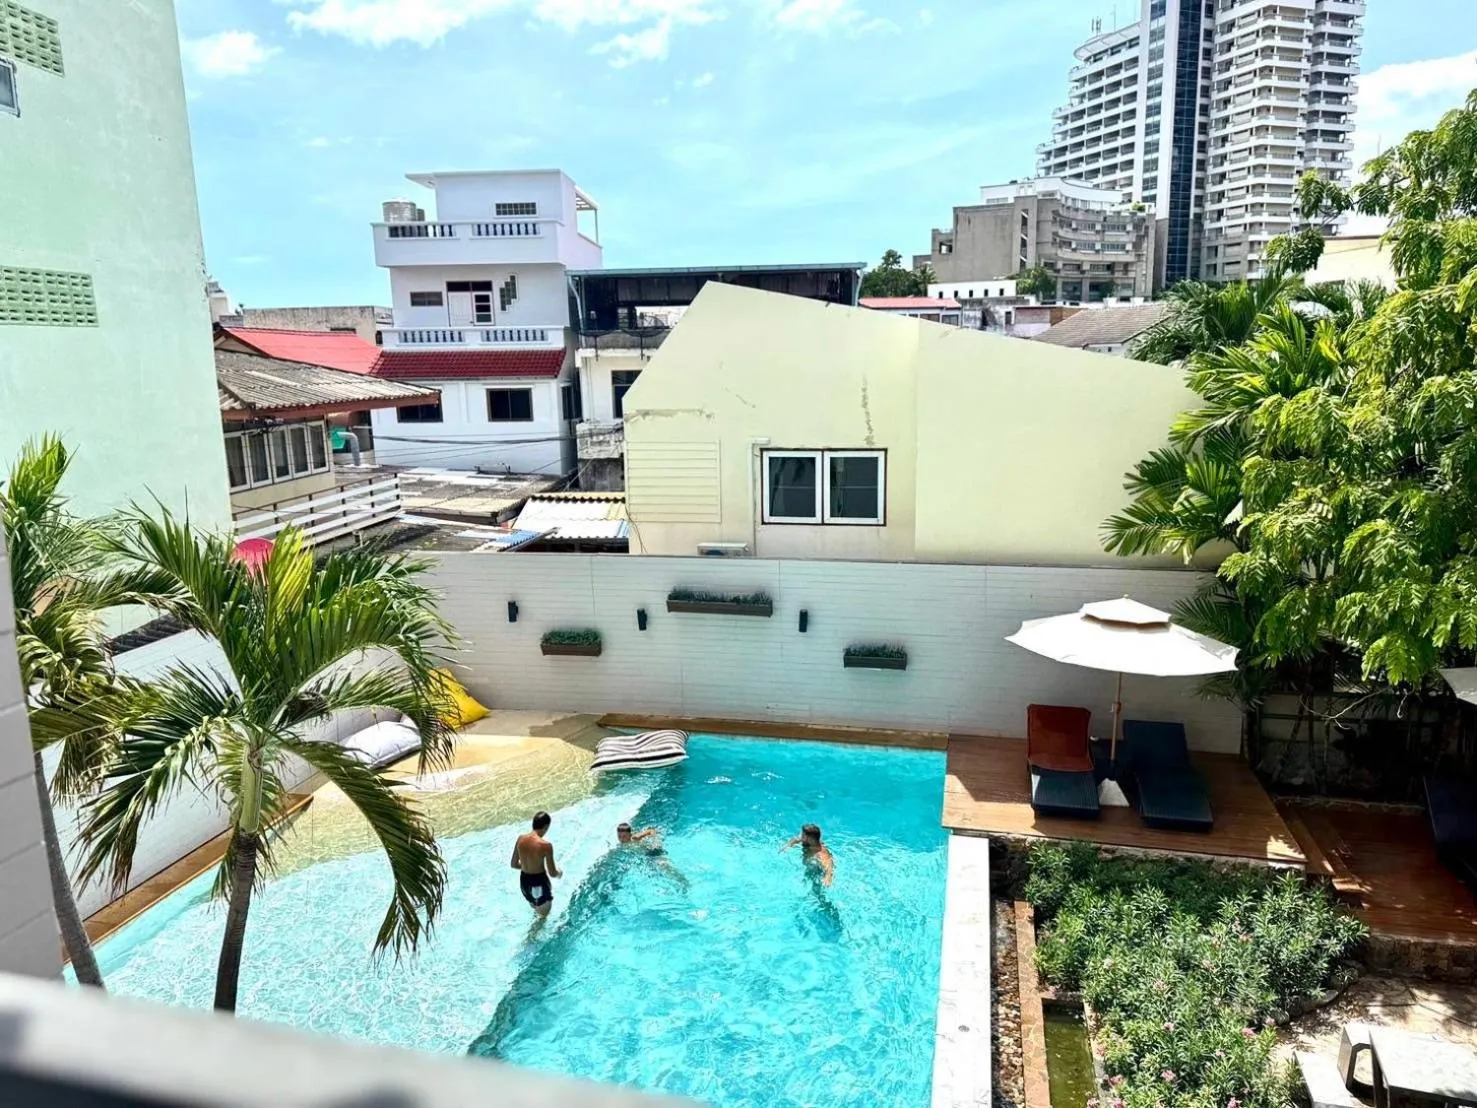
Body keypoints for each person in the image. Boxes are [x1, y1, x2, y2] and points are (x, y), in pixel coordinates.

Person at [511, 811, 561, 916]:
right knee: (542, 920)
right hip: (539, 883)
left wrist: (528, 866)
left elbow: (514, 864)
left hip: (524, 883)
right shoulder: (546, 845)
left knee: (536, 912)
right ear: (546, 826)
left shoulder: (520, 839)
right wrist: (559, 873)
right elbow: (552, 873)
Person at [617, 822, 690, 890]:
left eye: (624, 836)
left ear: (630, 834)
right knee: (657, 874)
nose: (621, 839)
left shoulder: (635, 838)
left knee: (667, 868)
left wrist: (655, 841)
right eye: (619, 836)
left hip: (654, 852)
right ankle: (674, 886)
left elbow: (651, 831)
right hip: (647, 857)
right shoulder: (622, 844)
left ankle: (684, 882)